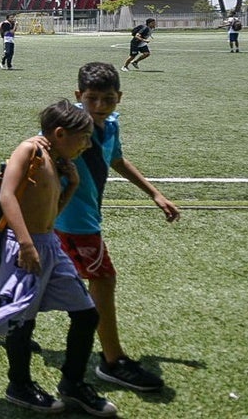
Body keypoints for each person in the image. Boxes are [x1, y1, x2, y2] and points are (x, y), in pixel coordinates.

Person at [0, 100, 116, 416]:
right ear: (59, 133)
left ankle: (72, 384)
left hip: (49, 245)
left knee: (86, 314)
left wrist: (74, 185)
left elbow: (51, 214)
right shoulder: (28, 150)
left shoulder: (56, 159)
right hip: (21, 247)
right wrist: (26, 245)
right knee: (20, 322)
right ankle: (19, 385)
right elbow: (6, 195)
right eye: (82, 138)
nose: (87, 144)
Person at [56, 62, 181, 394]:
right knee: (103, 278)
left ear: (119, 98)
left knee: (42, 280)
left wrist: (155, 194)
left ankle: (9, 327)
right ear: (78, 95)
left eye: (107, 99)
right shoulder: (67, 127)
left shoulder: (110, 126)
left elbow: (117, 160)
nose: (99, 107)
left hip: (82, 219)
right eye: (92, 98)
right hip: (73, 221)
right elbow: (40, 153)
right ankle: (112, 361)